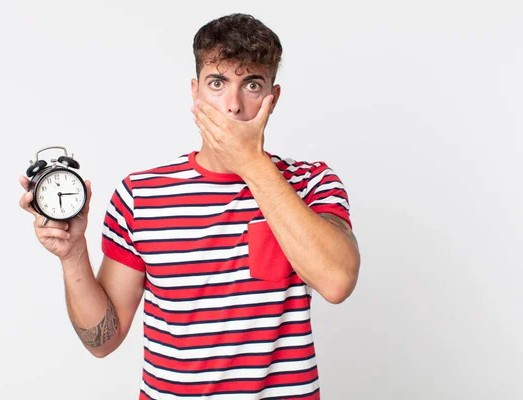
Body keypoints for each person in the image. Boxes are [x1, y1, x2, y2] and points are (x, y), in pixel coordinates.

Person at [20, 13, 360, 399]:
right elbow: (103, 341)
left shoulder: (312, 182)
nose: (232, 106)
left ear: (273, 98)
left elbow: (337, 282)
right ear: (195, 93)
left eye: (251, 84)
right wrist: (73, 255)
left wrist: (251, 164)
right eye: (218, 83)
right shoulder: (140, 194)